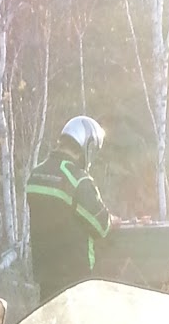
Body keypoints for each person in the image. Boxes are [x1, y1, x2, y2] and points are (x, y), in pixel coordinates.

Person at [26, 115, 116, 304]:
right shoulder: (78, 180)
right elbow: (101, 226)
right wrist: (112, 219)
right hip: (76, 279)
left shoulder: (36, 175)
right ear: (87, 146)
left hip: (46, 277)